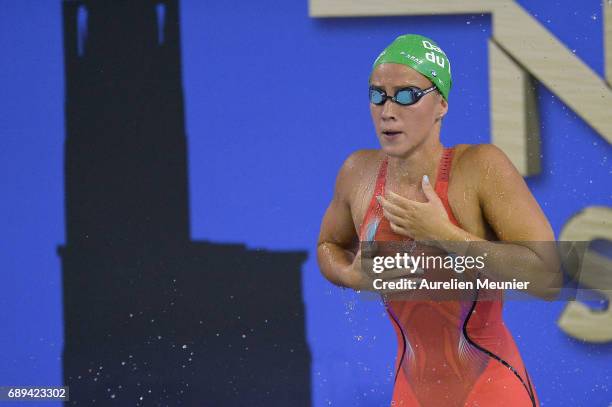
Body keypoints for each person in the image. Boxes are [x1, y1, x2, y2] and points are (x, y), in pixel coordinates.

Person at [317, 34, 560, 407]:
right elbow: (328, 246)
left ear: (442, 103)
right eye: (377, 94)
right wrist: (352, 275)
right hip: (411, 390)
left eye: (407, 95)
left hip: (492, 385)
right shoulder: (358, 174)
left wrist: (444, 234)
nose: (388, 110)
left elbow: (547, 276)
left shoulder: (478, 168)